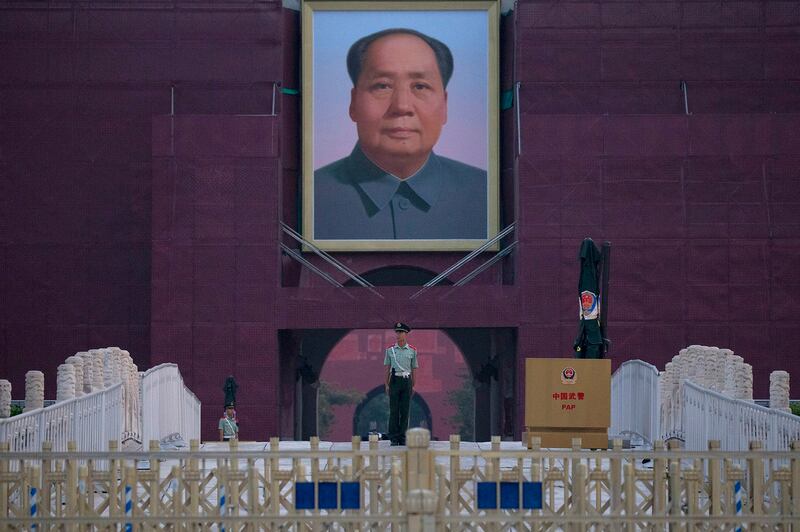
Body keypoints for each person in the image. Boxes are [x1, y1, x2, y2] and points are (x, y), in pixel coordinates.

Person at [314, 28, 488, 240]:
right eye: (382, 86)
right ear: (353, 103)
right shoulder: (310, 196)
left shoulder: (486, 194)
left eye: (420, 86)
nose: (402, 106)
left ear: (444, 105)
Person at [384, 322, 418, 446]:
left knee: (405, 410)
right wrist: (386, 384)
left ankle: (403, 436)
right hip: (394, 380)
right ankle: (393, 436)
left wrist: (413, 384)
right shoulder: (390, 350)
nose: (398, 335)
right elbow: (387, 368)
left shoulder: (412, 351)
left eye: (401, 332)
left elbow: (414, 368)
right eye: (397, 332)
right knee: (394, 410)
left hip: (406, 381)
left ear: (406, 334)